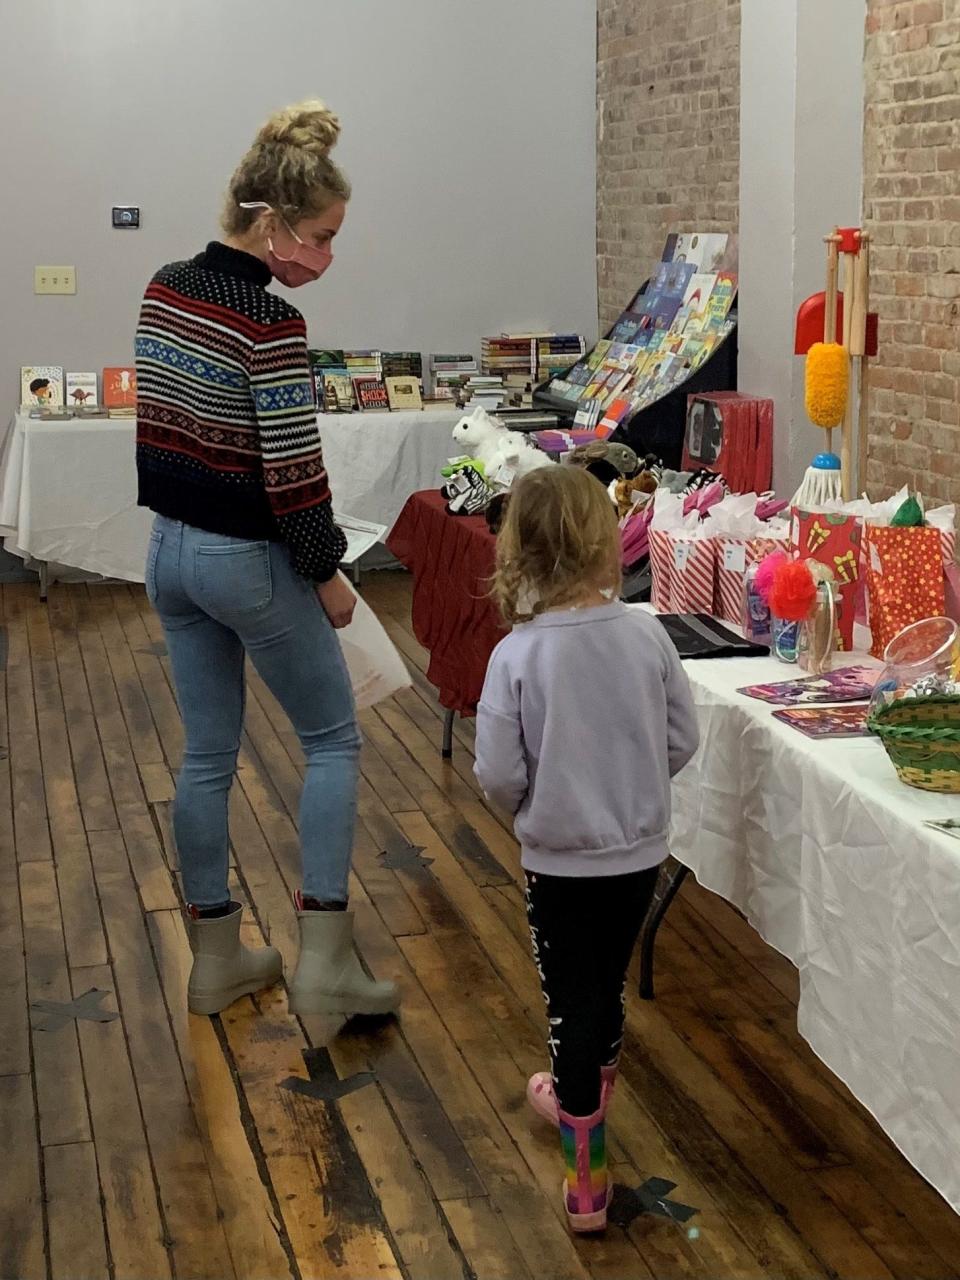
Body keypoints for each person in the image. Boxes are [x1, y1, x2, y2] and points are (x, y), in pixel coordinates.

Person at [135, 99, 399, 1020]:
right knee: (331, 737)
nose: (325, 254)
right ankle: (324, 965)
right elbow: (292, 475)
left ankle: (215, 959)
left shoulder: (164, 286)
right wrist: (327, 573)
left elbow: (161, 431)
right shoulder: (269, 324)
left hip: (166, 552)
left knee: (208, 754)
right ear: (273, 224)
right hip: (246, 560)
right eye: (321, 235)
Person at [474, 466, 699, 1233]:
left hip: (558, 862)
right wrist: (632, 788)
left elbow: (497, 774)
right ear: (607, 541)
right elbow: (681, 738)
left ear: (522, 551)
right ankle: (590, 1099)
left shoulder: (517, 655)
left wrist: (535, 812)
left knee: (572, 1004)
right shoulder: (646, 632)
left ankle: (586, 1181)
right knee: (604, 988)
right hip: (637, 854)